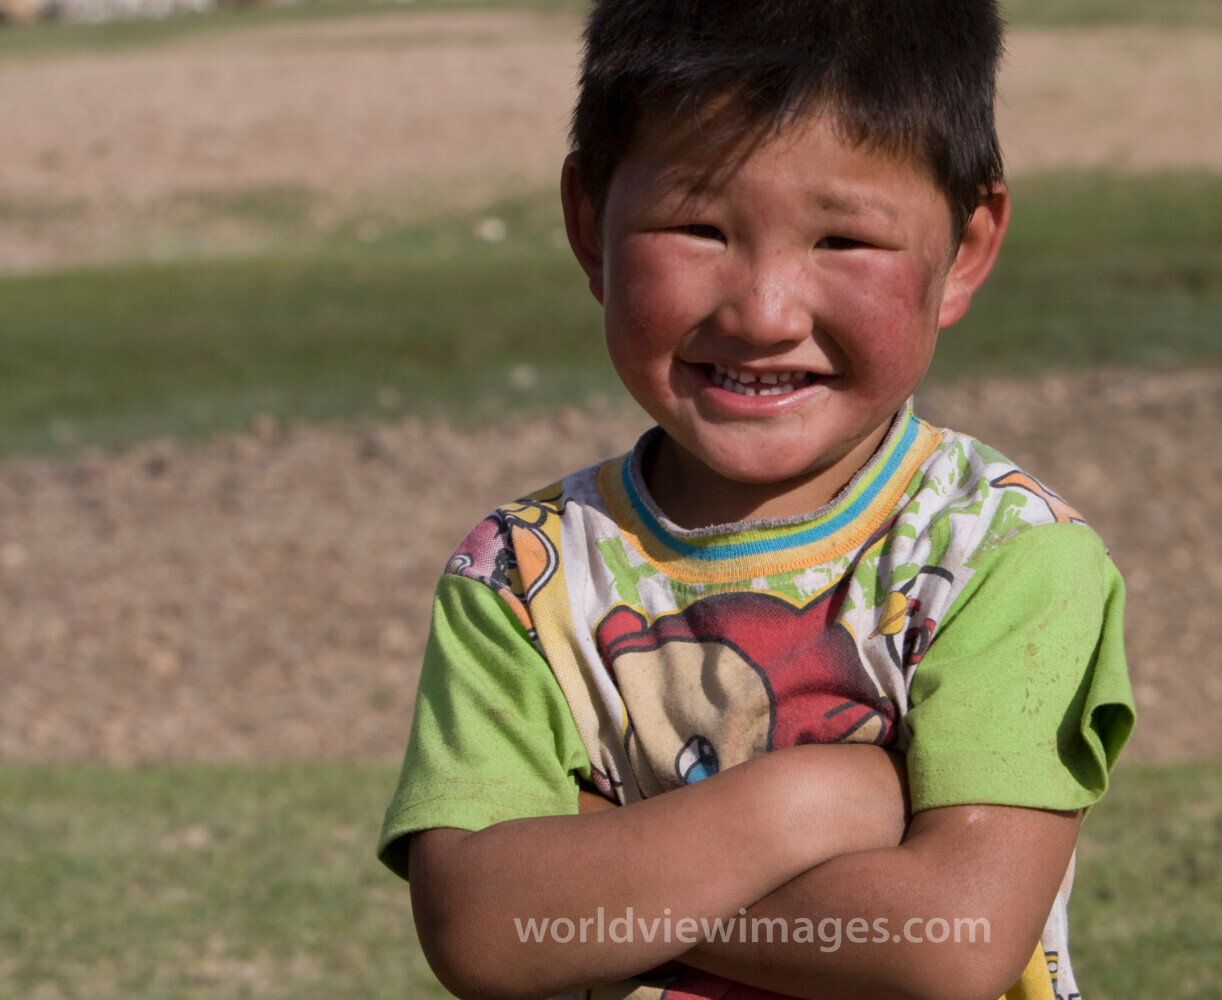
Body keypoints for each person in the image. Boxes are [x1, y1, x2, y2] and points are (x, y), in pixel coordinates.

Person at [377, 1, 1135, 998]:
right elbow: (477, 927)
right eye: (697, 227)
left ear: (968, 245)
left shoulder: (1004, 554)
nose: (765, 310)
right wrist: (801, 805)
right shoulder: (522, 576)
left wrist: (603, 874)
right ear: (588, 225)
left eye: (846, 241)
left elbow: (950, 943)